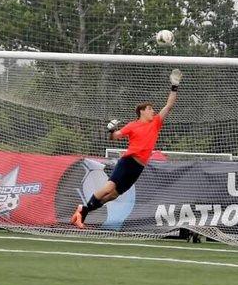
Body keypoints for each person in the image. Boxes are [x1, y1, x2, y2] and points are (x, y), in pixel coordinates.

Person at [71, 69, 182, 228]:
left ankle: (83, 210)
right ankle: (82, 213)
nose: (153, 111)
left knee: (113, 195)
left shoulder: (155, 122)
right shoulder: (132, 125)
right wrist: (110, 130)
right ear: (142, 111)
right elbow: (114, 137)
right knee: (109, 188)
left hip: (138, 167)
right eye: (150, 109)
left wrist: (174, 86)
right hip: (128, 161)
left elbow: (169, 105)